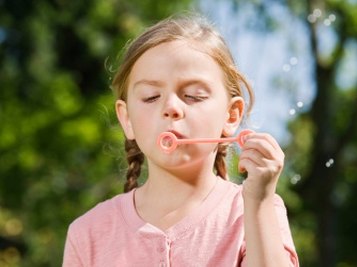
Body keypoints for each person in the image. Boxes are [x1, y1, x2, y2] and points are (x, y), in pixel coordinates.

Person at [62, 13, 299, 267]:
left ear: (231, 116)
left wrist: (259, 203)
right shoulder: (88, 234)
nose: (171, 107)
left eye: (193, 96)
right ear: (127, 118)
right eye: (151, 97)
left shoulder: (256, 211)